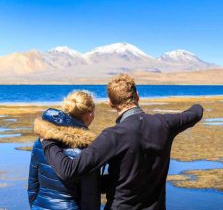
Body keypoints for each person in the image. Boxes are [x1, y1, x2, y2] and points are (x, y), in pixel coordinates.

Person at [41, 74, 204, 210]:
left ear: (111, 103)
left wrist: (48, 141)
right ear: (137, 96)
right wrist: (197, 105)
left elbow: (68, 170)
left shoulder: (113, 136)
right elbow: (195, 113)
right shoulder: (165, 123)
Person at [28, 90, 101, 210]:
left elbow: (33, 184)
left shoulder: (41, 141)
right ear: (89, 115)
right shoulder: (87, 149)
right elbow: (90, 197)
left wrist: (35, 206)